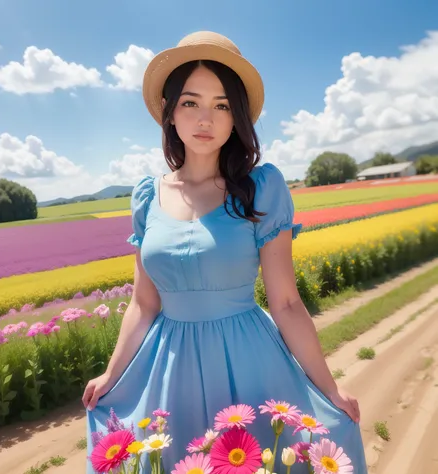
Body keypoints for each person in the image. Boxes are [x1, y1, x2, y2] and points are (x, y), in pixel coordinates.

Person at [83, 31, 368, 473]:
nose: (205, 118)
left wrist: (330, 389)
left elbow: (287, 302)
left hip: (249, 359)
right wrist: (110, 374)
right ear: (169, 112)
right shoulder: (146, 197)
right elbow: (143, 303)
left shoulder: (262, 188)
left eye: (222, 105)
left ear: (236, 118)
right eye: (191, 102)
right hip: (167, 369)